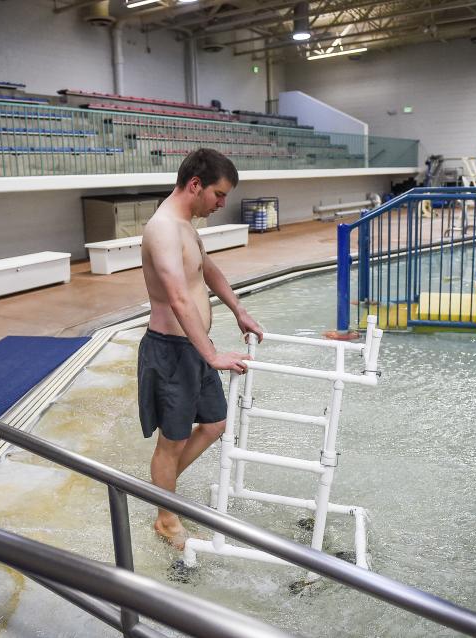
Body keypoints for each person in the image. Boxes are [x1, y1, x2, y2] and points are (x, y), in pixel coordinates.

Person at [138, 148, 263, 549]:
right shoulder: (162, 229)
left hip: (193, 347)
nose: (223, 203)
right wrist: (211, 354)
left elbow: (206, 269)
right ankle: (166, 517)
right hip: (172, 351)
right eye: (219, 194)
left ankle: (162, 488)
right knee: (170, 441)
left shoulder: (186, 225)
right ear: (196, 185)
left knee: (214, 424)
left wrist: (238, 309)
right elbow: (177, 296)